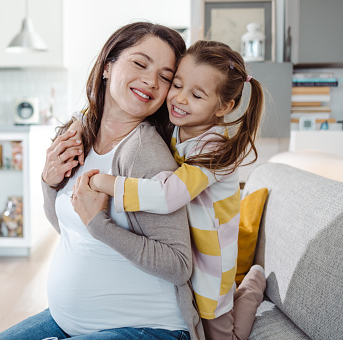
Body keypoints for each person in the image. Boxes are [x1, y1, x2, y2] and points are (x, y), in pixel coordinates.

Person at [0, 22, 204, 340]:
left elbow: (178, 264)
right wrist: (49, 181)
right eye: (140, 63)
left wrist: (100, 224)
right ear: (108, 66)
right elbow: (66, 228)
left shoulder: (145, 154)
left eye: (165, 77)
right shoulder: (77, 136)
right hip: (66, 320)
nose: (150, 80)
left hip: (148, 328)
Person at [74, 40, 267, 340]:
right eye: (176, 85)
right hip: (190, 251)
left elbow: (167, 195)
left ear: (224, 106)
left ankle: (253, 286)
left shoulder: (216, 150)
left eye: (196, 94)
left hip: (210, 266)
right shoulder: (178, 128)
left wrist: (105, 183)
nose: (179, 99)